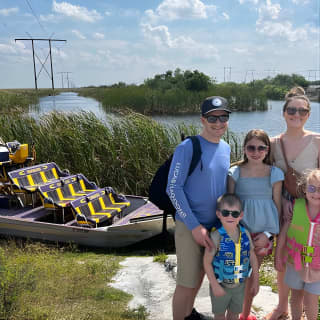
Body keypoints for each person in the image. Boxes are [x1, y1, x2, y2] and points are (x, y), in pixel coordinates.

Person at [167, 96, 231, 320]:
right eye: (212, 118)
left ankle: (188, 314)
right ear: (203, 120)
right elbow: (173, 188)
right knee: (186, 282)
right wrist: (194, 226)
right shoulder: (187, 147)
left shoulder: (226, 147)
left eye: (223, 117)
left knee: (202, 274)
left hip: (214, 227)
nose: (218, 122)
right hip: (190, 225)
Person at [268, 87, 320, 320]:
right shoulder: (272, 143)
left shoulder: (318, 141)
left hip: (313, 205)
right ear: (284, 112)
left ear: (308, 114)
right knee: (286, 257)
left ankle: (309, 299)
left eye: (302, 110)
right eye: (291, 110)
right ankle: (282, 306)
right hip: (284, 206)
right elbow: (266, 177)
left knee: (312, 253)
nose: (296, 114)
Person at [228, 129, 284, 320]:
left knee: (253, 276)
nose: (256, 151)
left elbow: (277, 206)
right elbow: (230, 204)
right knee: (237, 277)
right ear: (244, 149)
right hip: (239, 233)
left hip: (262, 234)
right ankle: (232, 314)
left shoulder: (275, 173)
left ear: (267, 150)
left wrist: (270, 234)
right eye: (251, 147)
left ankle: (245, 314)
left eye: (261, 148)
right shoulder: (235, 172)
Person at [203, 193, 259, 320]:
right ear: (218, 214)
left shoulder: (245, 234)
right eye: (225, 213)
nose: (230, 216)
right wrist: (214, 285)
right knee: (219, 315)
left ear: (240, 215)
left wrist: (256, 279)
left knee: (234, 314)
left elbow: (252, 256)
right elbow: (206, 262)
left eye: (234, 214)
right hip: (220, 284)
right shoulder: (216, 236)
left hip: (239, 286)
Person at [275, 169, 320, 320]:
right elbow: (283, 234)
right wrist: (278, 256)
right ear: (305, 188)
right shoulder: (296, 207)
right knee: (295, 295)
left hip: (317, 267)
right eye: (312, 188)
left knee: (312, 299)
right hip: (295, 262)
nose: (316, 194)